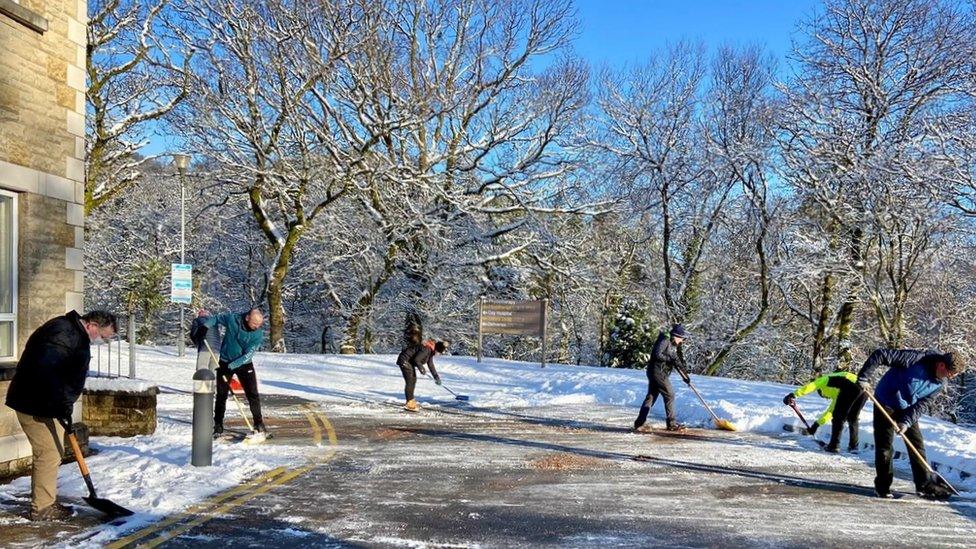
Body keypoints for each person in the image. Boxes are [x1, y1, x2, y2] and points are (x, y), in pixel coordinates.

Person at [4, 310, 117, 521]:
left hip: (46, 404)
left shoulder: (73, 333)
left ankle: (45, 500)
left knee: (53, 451)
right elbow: (46, 371)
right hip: (33, 402)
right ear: (92, 325)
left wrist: (62, 404)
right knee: (48, 453)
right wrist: (59, 402)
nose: (102, 341)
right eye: (103, 336)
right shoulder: (64, 333)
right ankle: (42, 508)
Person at [856, 348, 966, 499]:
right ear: (941, 365)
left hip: (907, 408)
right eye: (950, 373)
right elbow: (881, 354)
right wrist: (864, 377)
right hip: (885, 401)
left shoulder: (939, 384)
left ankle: (924, 485)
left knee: (916, 444)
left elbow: (922, 405)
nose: (951, 377)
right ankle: (883, 486)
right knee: (884, 446)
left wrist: (906, 422)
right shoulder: (914, 359)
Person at [200, 308, 266, 436]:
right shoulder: (232, 319)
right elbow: (217, 318)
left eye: (259, 324)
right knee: (221, 395)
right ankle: (218, 425)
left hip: (244, 364)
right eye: (254, 323)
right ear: (247, 318)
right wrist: (205, 326)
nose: (257, 327)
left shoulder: (257, 334)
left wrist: (232, 366)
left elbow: (248, 355)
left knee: (252, 394)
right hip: (225, 361)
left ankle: (259, 423)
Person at [783, 370, 866, 453]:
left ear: (822, 390)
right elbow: (830, 412)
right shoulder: (837, 391)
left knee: (838, 417)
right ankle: (853, 447)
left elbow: (812, 386)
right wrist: (816, 425)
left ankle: (834, 446)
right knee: (852, 418)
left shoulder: (826, 379)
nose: (826, 398)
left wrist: (794, 394)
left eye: (824, 396)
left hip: (848, 384)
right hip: (864, 389)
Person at [634, 324, 691, 432]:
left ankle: (639, 422)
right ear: (676, 336)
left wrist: (685, 376)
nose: (682, 341)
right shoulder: (665, 339)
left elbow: (676, 361)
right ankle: (672, 423)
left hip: (656, 372)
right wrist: (669, 359)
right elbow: (657, 354)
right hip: (657, 372)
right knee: (670, 395)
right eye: (682, 339)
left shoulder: (671, 344)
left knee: (651, 397)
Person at [395, 338, 447, 411]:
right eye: (439, 353)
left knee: (413, 380)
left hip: (409, 362)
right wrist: (421, 368)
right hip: (405, 360)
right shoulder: (426, 349)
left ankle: (410, 400)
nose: (438, 355)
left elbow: (431, 365)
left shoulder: (430, 351)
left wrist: (436, 377)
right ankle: (409, 403)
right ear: (437, 349)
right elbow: (417, 360)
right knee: (410, 381)